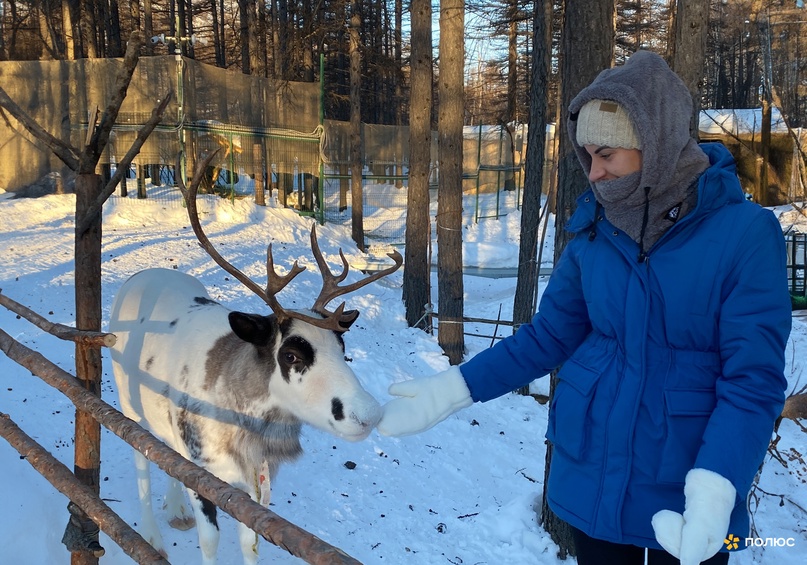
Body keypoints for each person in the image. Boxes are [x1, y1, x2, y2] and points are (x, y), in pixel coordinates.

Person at [378, 50, 791, 565]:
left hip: (689, 493)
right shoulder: (595, 233)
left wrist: (715, 491)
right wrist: (454, 388)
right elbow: (547, 337)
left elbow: (752, 380)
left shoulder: (745, 236)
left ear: (654, 143)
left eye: (606, 155)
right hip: (593, 484)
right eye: (587, 156)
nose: (593, 173)